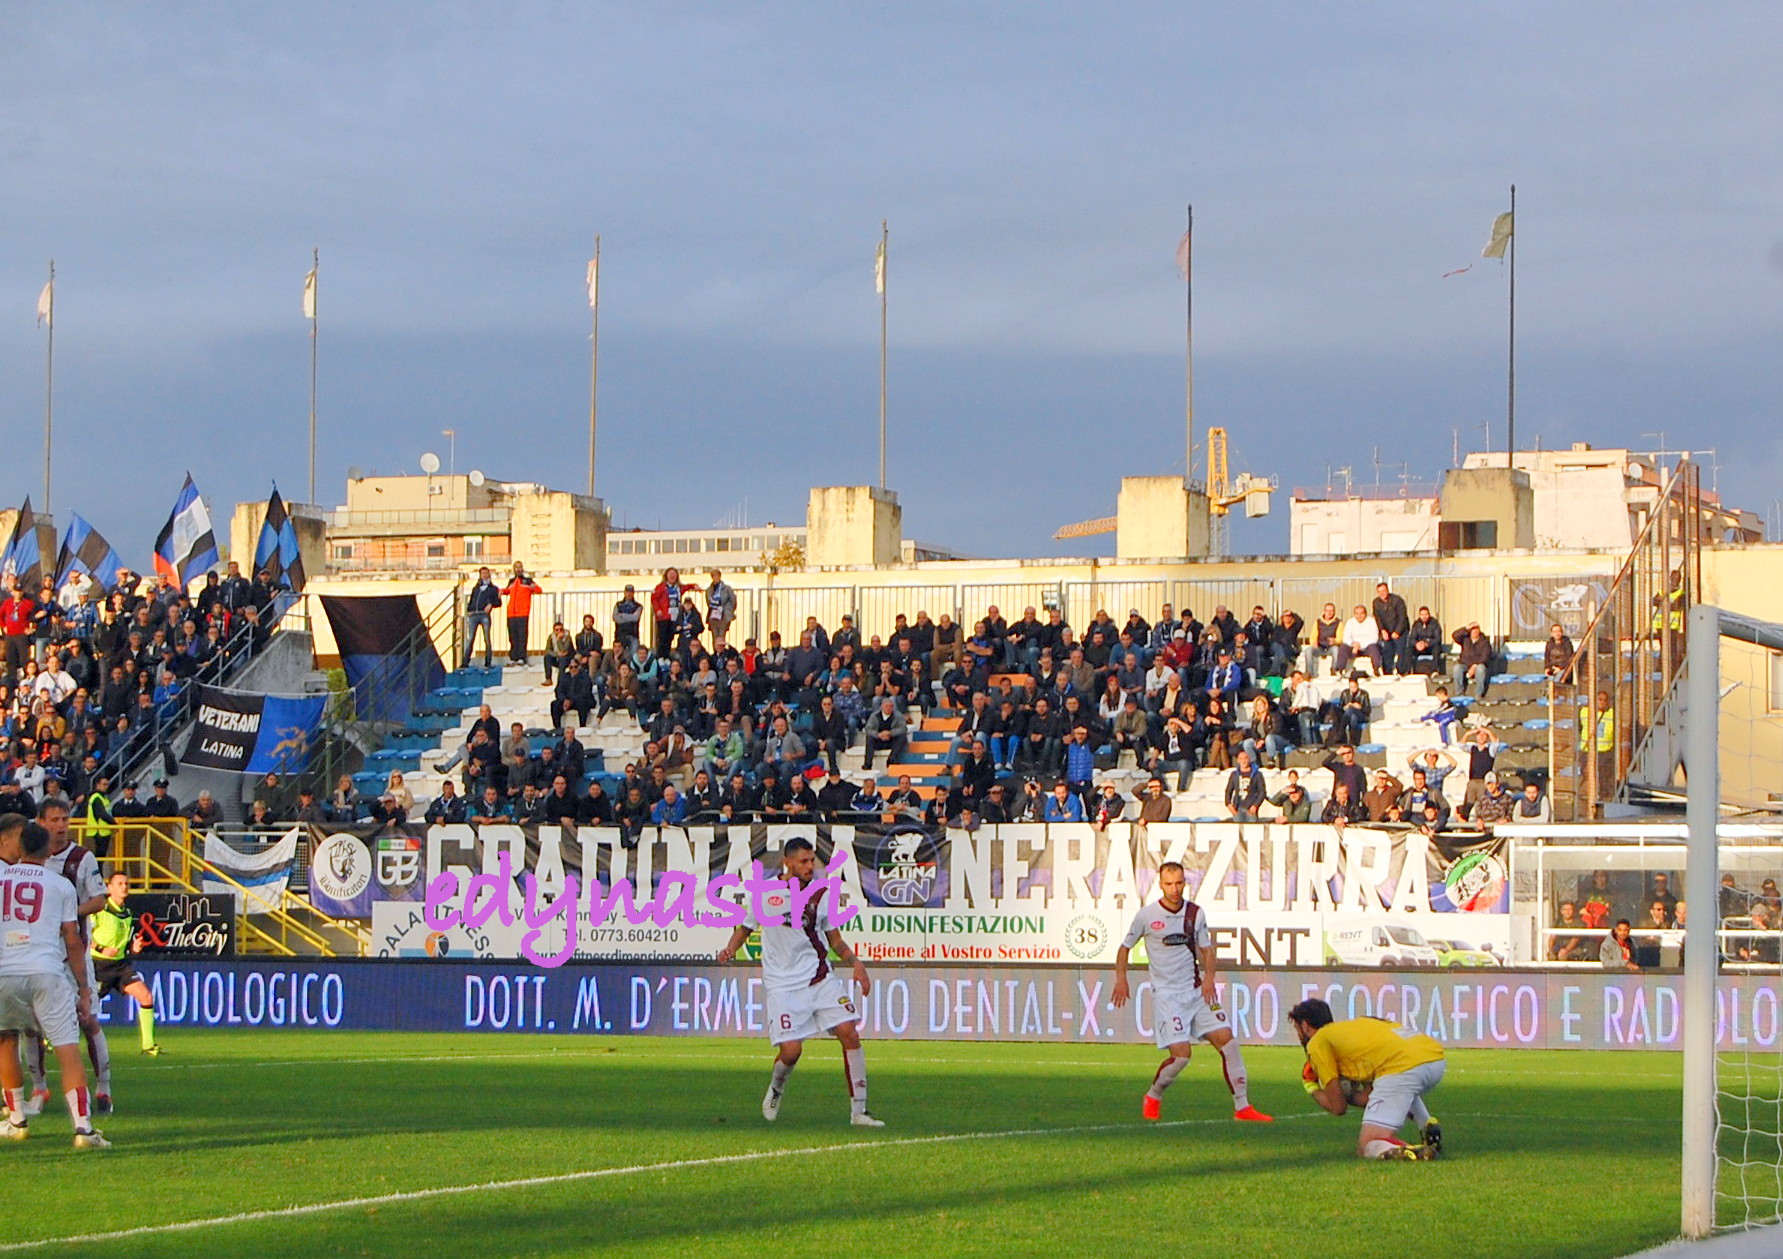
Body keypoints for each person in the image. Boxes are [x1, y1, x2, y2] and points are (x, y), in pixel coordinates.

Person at [715, 837, 882, 1127]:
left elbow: (835, 940)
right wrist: (730, 948)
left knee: (849, 1032)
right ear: (787, 862)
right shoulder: (765, 893)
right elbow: (744, 928)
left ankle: (859, 1112)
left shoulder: (821, 895)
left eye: (812, 861)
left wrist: (856, 964)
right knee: (791, 1052)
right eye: (803, 861)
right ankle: (777, 1088)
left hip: (820, 979)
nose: (810, 866)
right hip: (782, 986)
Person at [1112, 862, 1271, 1124]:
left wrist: (1209, 979)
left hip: (1196, 993)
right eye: (1168, 884)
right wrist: (1121, 979)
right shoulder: (1147, 916)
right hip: (1168, 997)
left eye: (1178, 883)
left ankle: (1243, 1108)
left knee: (1228, 1043)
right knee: (1182, 1056)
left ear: (1185, 883)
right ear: (1160, 884)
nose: (1174, 889)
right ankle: (1153, 1095)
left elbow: (1206, 950)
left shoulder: (1195, 913)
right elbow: (1124, 947)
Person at [0, 817, 111, 1148]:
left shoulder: (2, 879)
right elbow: (72, 939)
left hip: (4, 969)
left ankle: (17, 1120)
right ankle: (83, 1129)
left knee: (5, 1041)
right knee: (66, 1047)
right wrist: (84, 987)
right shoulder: (61, 885)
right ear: (48, 848)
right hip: (46, 969)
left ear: (19, 848)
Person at [1288, 997, 1443, 1161]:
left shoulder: (1318, 1042)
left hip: (1403, 1068)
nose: (1298, 1035)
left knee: (1367, 1146)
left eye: (1297, 1029)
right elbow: (1370, 1096)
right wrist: (1351, 1096)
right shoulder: (1353, 1029)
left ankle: (1410, 1151)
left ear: (1305, 1026)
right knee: (1399, 1091)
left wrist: (1311, 1087)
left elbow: (1338, 1107)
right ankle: (1426, 1122)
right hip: (1434, 1058)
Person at [89, 871, 162, 1056]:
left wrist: (133, 948)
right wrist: (101, 949)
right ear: (109, 888)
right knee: (82, 1008)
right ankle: (48, 1038)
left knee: (146, 996)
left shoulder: (127, 914)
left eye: (126, 883)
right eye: (119, 883)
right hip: (98, 965)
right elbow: (83, 935)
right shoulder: (100, 910)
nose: (124, 886)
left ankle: (148, 1046)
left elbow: (121, 945)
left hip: (120, 966)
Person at [501, 564, 542, 665]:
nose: (518, 569)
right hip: (511, 613)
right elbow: (507, 591)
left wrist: (534, 587)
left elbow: (539, 590)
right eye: (516, 567)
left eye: (520, 567)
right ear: (514, 569)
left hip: (523, 612)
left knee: (522, 636)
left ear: (522, 569)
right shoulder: (511, 581)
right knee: (512, 636)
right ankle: (513, 658)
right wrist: (500, 591)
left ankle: (521, 657)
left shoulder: (528, 581)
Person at [462, 566, 501, 669]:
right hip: (474, 615)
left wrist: (491, 604)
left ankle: (488, 662)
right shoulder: (476, 588)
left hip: (484, 615)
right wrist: (469, 611)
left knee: (487, 638)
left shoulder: (493, 589)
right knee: (470, 639)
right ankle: (465, 662)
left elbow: (498, 602)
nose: (484, 575)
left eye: (486, 573)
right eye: (482, 573)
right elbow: (471, 601)